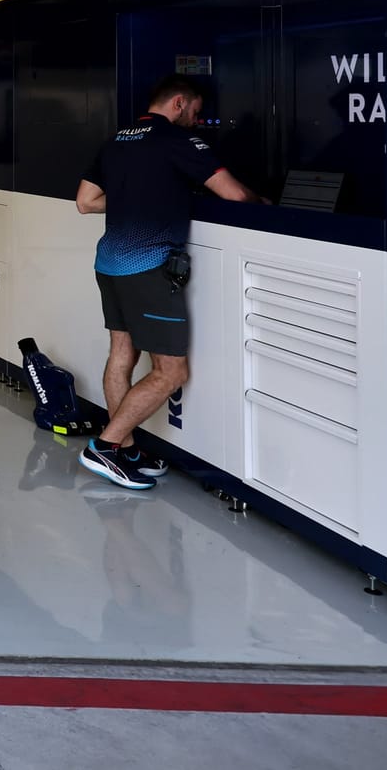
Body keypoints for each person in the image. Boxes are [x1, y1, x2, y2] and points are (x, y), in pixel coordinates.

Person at [74, 74, 263, 491]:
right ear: (179, 103)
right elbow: (234, 196)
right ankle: (105, 446)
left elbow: (85, 202)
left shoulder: (116, 140)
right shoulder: (178, 141)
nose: (197, 121)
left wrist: (137, 197)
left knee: (122, 354)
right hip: (148, 268)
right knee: (172, 372)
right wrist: (266, 205)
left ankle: (124, 448)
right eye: (195, 112)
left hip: (109, 264)